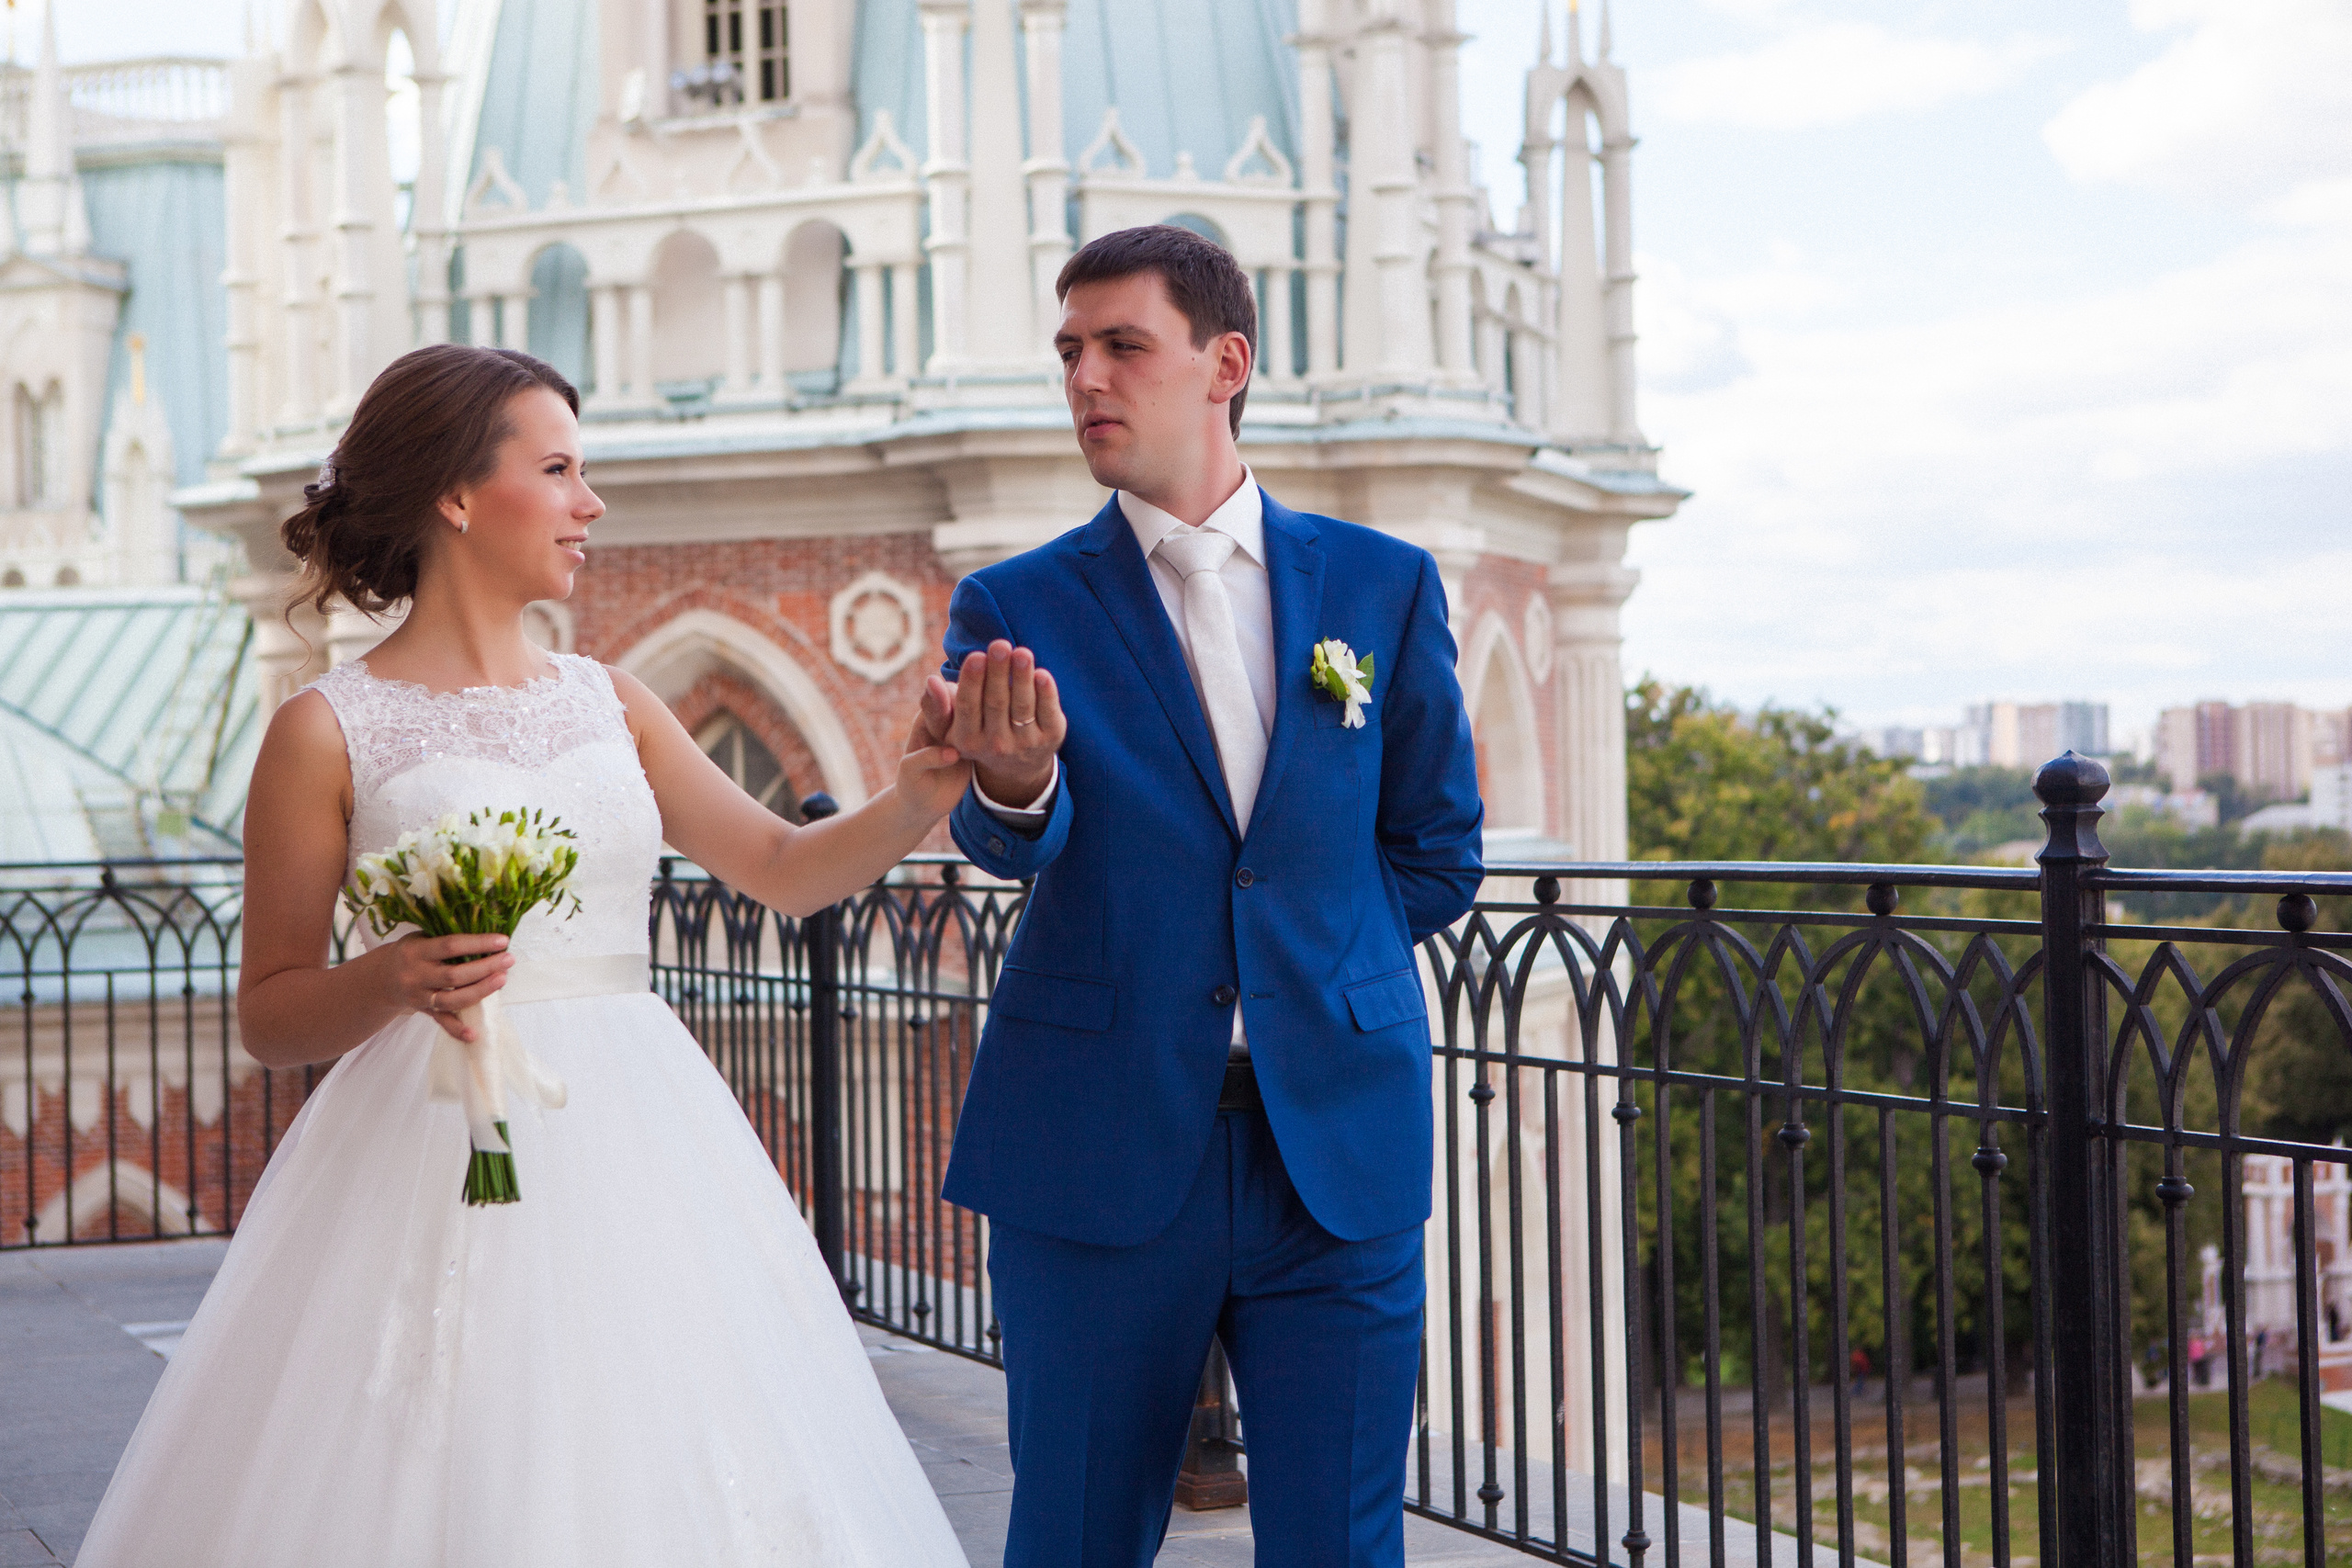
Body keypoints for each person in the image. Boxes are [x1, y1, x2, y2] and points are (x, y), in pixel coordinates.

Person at [74, 344, 990, 1567]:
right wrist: (398, 977)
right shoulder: (323, 729)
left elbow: (782, 868)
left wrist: (918, 795)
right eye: (558, 469)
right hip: (423, 1140)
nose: (589, 504)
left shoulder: (613, 702)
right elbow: (272, 1013)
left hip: (641, 1132)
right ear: (458, 495)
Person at [936, 225, 1485, 1567]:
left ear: (1225, 361)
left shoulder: (1381, 584)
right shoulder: (1011, 607)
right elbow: (1009, 842)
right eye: (1070, 351)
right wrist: (1011, 787)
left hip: (1333, 1155)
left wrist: (1307, 972)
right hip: (1098, 1152)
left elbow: (1437, 846)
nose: (1086, 379)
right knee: (1071, 1537)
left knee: (1343, 1548)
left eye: (1122, 345)